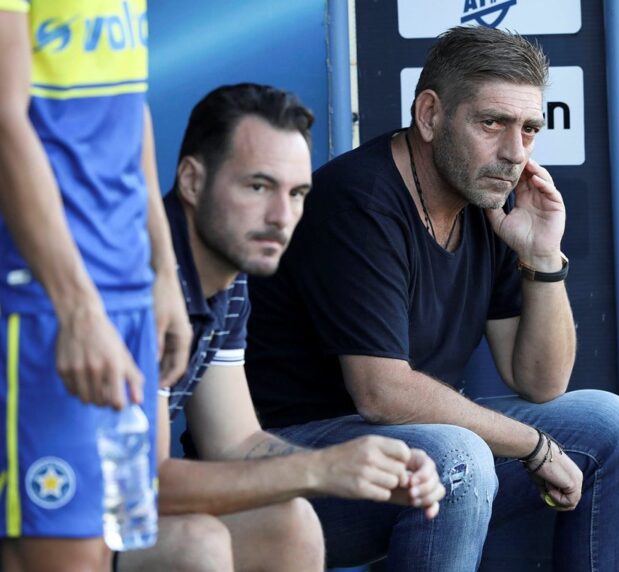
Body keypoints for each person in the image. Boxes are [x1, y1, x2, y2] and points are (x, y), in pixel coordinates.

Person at [245, 26, 619, 571]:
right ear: (430, 115)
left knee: (614, 427)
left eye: (530, 129)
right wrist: (534, 446)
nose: (514, 153)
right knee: (458, 457)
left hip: (409, 454)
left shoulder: (486, 198)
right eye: (492, 123)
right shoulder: (359, 201)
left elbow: (540, 381)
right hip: (287, 474)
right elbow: (382, 394)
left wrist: (541, 257)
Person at [117, 83, 446, 572]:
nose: (281, 217)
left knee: (289, 523)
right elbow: (140, 486)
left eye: (296, 194)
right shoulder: (142, 281)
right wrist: (318, 469)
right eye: (258, 187)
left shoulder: (228, 278)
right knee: (197, 543)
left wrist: (365, 464)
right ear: (191, 181)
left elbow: (234, 442)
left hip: (101, 516)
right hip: (39, 512)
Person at [0, 2, 191, 571]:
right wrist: (78, 310)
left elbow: (129, 108)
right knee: (66, 554)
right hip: (43, 297)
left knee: (105, 544)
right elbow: (4, 118)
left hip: (124, 290)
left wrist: (163, 271)